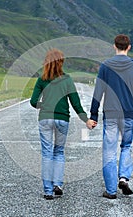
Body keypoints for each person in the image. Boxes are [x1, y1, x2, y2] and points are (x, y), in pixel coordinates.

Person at [30, 48, 96, 200]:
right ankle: (57, 184)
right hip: (62, 120)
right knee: (58, 152)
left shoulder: (41, 80)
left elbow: (33, 102)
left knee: (46, 154)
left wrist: (44, 106)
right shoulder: (67, 79)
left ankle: (47, 191)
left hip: (45, 119)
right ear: (61, 63)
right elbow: (75, 103)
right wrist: (86, 120)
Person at [90, 34, 133, 199]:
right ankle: (123, 177)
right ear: (129, 47)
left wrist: (93, 114)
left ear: (114, 46)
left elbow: (98, 92)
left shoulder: (106, 66)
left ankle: (111, 191)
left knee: (109, 151)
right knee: (126, 146)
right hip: (128, 114)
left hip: (111, 114)